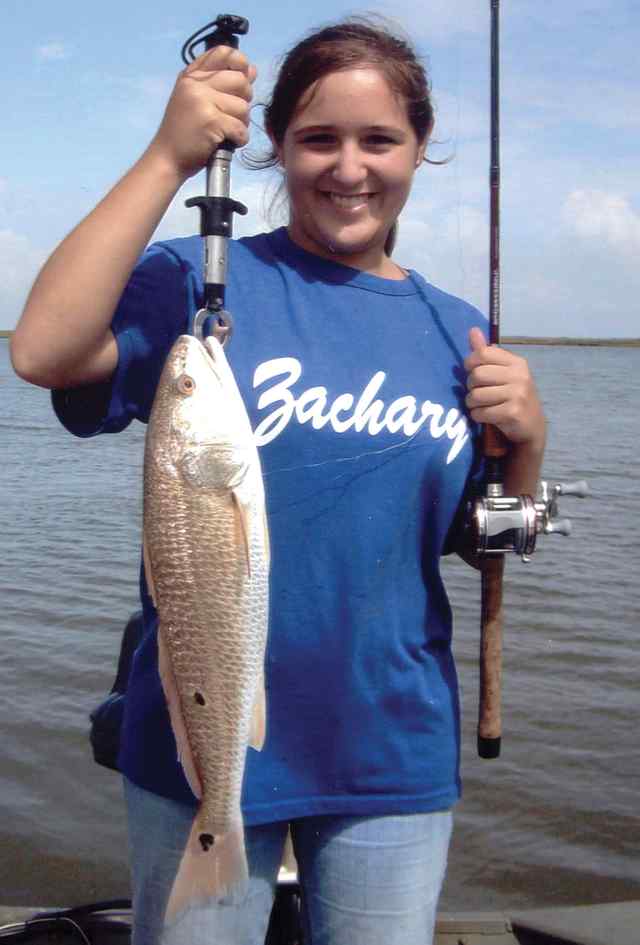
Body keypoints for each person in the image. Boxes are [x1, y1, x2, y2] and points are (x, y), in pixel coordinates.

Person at [11, 18, 546, 945]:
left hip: (391, 748)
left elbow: (480, 541)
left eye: (379, 139)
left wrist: (528, 444)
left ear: (422, 149)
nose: (349, 167)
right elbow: (45, 350)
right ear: (276, 150)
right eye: (317, 139)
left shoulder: (455, 329)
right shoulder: (200, 288)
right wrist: (165, 161)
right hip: (198, 743)